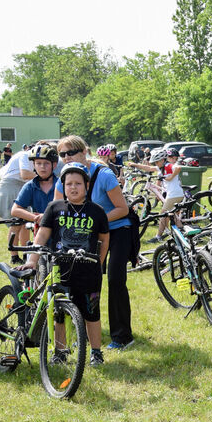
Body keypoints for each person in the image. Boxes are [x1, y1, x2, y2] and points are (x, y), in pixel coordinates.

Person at [52, 136, 134, 351]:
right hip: (85, 233)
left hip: (117, 230)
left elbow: (122, 208)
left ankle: (122, 336)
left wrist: (94, 221)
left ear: (85, 152)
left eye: (72, 152)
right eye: (62, 154)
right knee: (78, 280)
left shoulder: (103, 173)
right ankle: (81, 331)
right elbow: (58, 207)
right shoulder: (64, 177)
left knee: (115, 279)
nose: (67, 157)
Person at [24, 163, 110, 367]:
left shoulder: (97, 211)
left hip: (88, 270)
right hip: (59, 268)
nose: (73, 187)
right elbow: (42, 234)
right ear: (62, 186)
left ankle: (96, 352)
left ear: (86, 185)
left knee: (91, 312)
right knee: (59, 312)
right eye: (69, 183)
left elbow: (104, 239)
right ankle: (60, 351)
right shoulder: (54, 208)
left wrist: (99, 262)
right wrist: (32, 260)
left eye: (78, 183)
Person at [0, 140, 42, 263]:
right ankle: (14, 256)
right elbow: (25, 174)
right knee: (16, 223)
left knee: (25, 223)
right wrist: (44, 176)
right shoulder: (24, 155)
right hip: (12, 186)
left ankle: (25, 253)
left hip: (18, 185)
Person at [11, 144, 59, 229]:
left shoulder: (62, 185)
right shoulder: (30, 186)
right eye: (38, 163)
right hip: (40, 230)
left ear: (54, 165)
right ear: (34, 165)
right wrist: (36, 218)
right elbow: (15, 210)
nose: (42, 167)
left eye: (46, 163)